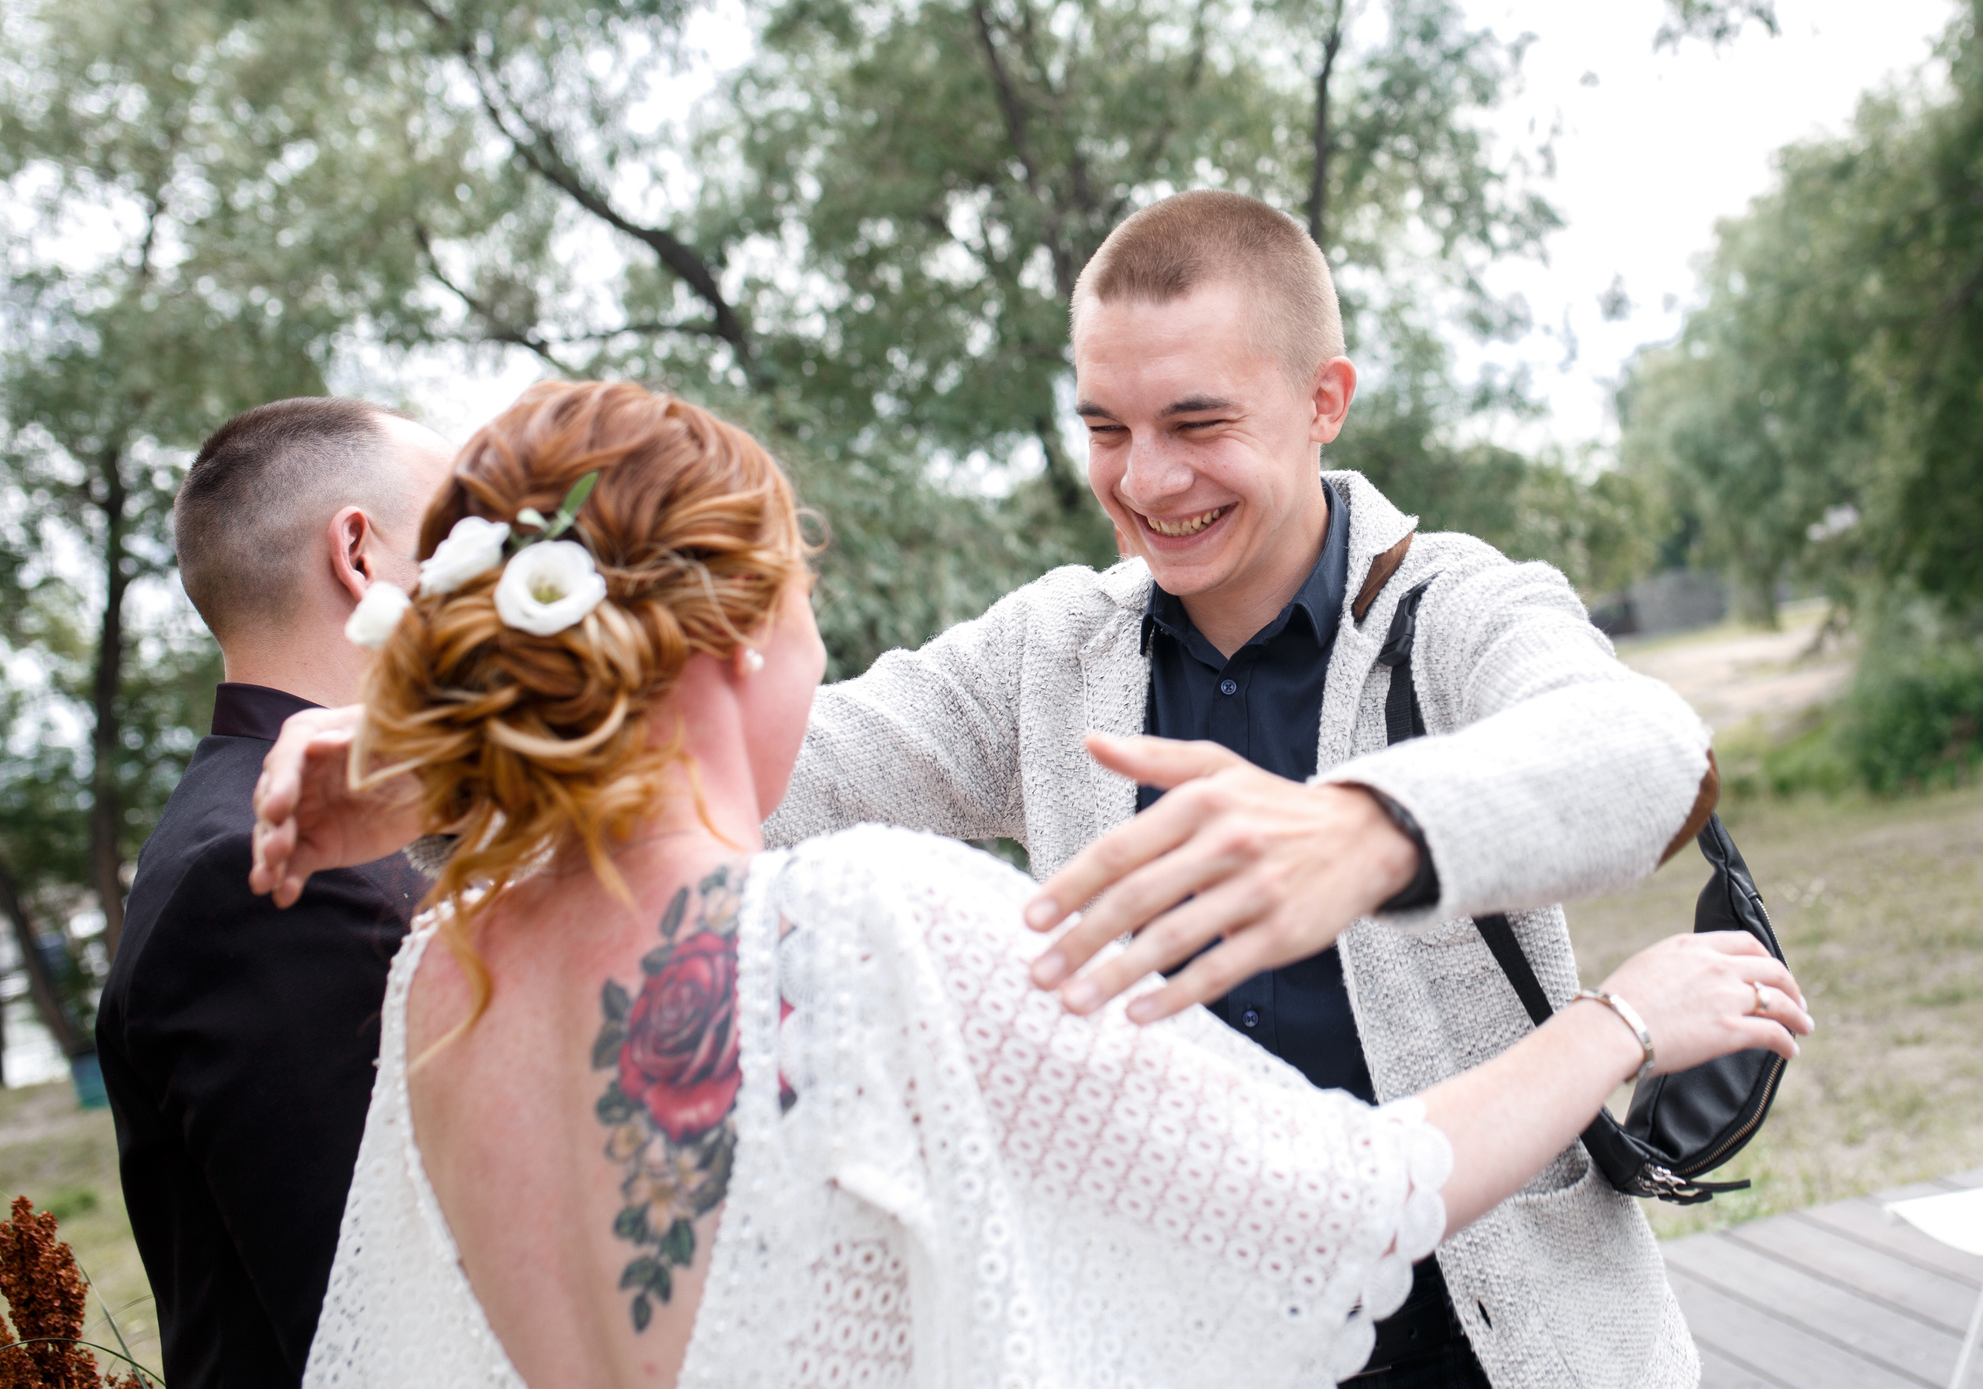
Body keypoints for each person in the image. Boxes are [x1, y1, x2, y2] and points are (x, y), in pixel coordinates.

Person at [260, 190, 1729, 1387]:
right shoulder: (1052, 649)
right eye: (1104, 425)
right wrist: (447, 759)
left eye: (1196, 421)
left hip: (1499, 1340)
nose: (1147, 479)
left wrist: (1365, 830)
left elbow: (1646, 753)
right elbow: (772, 764)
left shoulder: (1454, 606)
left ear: (1323, 399)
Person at [95, 397, 453, 1389]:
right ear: (358, 554)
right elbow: (382, 1311)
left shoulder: (307, 825)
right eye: (466, 541)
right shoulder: (264, 872)